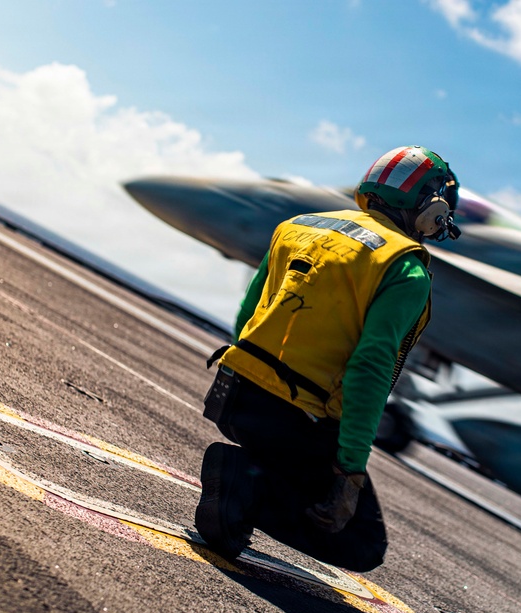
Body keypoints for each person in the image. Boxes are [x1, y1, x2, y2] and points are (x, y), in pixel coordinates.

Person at [195, 146, 459, 571]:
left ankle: (246, 481)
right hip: (299, 419)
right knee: (362, 544)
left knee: (282, 471)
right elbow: (370, 368)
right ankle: (244, 483)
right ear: (429, 203)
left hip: (232, 396)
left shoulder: (299, 226)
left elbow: (249, 312)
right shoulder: (405, 268)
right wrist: (350, 469)